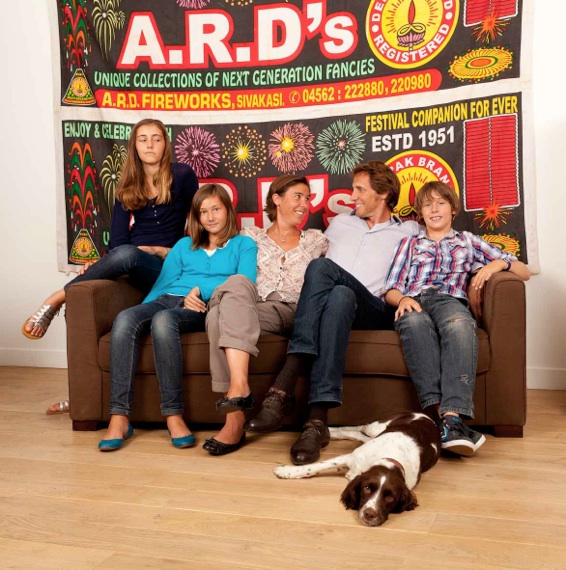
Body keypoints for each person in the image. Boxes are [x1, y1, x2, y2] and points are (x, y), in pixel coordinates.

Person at [245, 160, 420, 465]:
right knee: (339, 295)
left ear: (382, 194)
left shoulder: (409, 231)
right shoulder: (339, 225)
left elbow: (441, 250)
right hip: (336, 306)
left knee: (322, 268)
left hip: (373, 308)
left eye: (360, 190)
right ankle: (316, 423)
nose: (352, 196)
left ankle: (284, 385)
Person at [21, 118, 198, 414]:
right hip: (131, 262)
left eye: (156, 138)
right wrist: (106, 263)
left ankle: (57, 297)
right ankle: (82, 395)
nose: (150, 145)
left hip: (167, 266)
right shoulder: (126, 183)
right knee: (110, 271)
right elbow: (118, 240)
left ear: (165, 144)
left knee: (127, 254)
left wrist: (164, 251)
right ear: (134, 146)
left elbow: (200, 224)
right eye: (143, 139)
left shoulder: (181, 174)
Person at [98, 183, 257, 451]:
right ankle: (119, 417)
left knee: (164, 321)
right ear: (196, 217)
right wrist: (141, 315)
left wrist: (202, 291)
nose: (210, 217)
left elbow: (245, 282)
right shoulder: (184, 245)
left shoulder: (244, 244)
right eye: (203, 212)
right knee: (125, 319)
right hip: (168, 298)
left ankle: (173, 414)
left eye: (216, 209)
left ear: (228, 211)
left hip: (203, 305)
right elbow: (163, 284)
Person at [383, 181, 530, 456]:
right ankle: (448, 422)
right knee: (414, 323)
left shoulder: (468, 241)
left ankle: (450, 417)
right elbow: (391, 288)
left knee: (460, 324)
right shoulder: (409, 243)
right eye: (427, 205)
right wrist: (401, 299)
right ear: (420, 213)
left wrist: (497, 264)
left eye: (440, 203)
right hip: (414, 300)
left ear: (453, 209)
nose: (434, 209)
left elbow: (524, 271)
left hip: (450, 300)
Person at [203, 175, 328, 456]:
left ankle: (234, 415)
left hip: (297, 311)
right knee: (227, 297)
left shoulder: (317, 240)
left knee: (218, 315)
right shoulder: (250, 237)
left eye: (308, 198)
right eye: (298, 196)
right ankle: (237, 401)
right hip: (256, 309)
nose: (305, 204)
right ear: (276, 199)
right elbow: (214, 265)